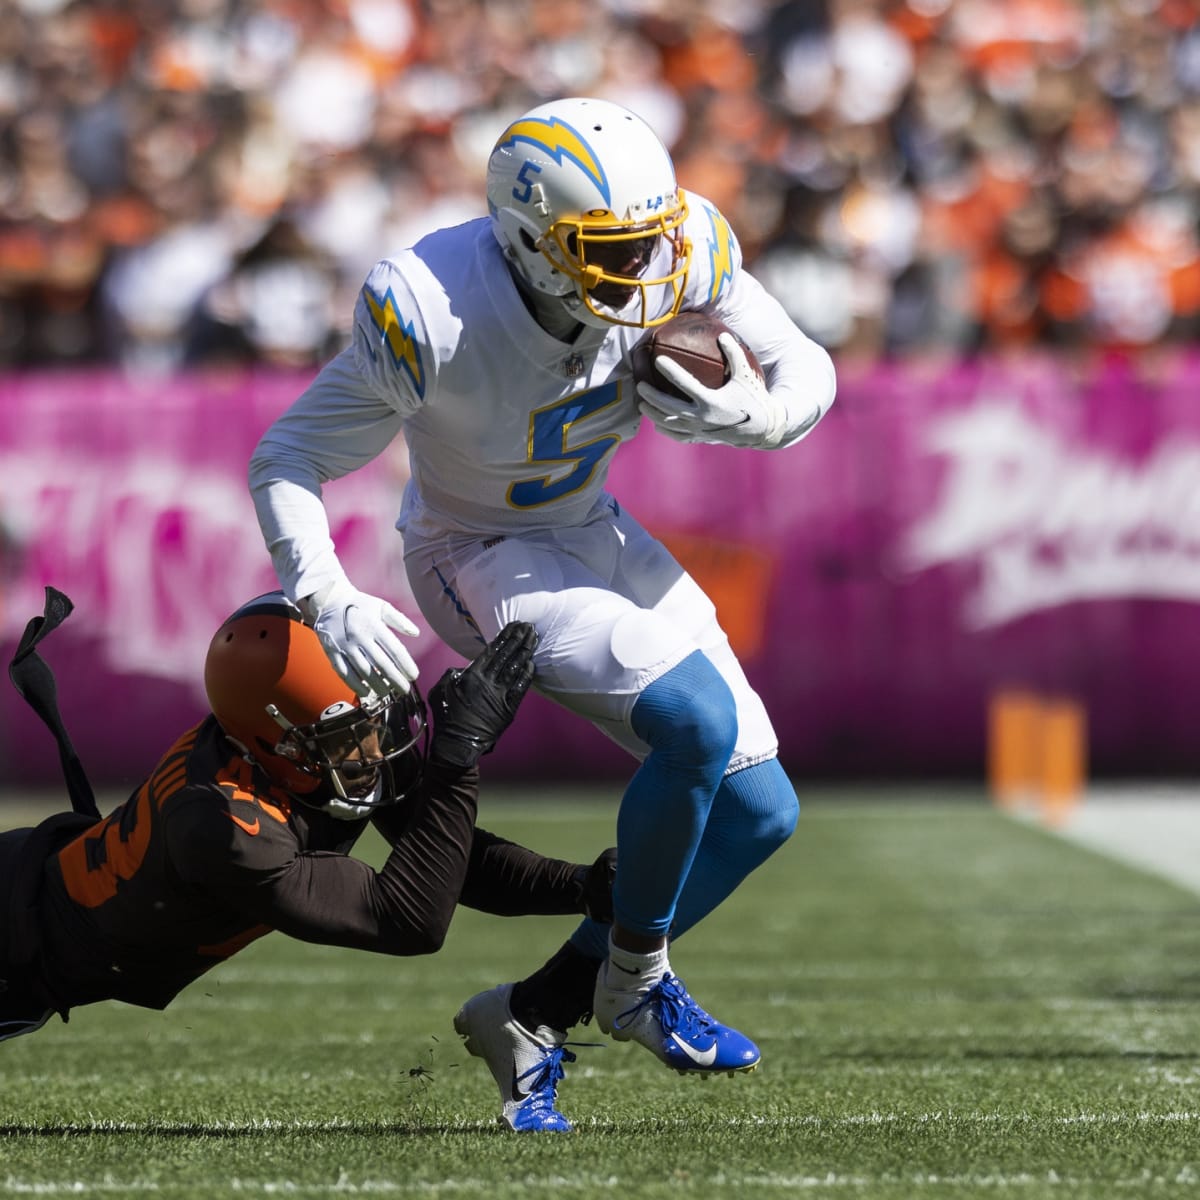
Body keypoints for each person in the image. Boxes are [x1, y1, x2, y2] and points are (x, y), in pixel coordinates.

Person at [248, 95, 837, 1132]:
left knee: (763, 813)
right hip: (477, 552)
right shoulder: (432, 303)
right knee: (696, 724)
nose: (646, 271)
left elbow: (806, 367)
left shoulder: (684, 246)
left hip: (591, 528)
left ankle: (532, 1015)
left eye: (649, 242)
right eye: (608, 250)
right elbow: (288, 455)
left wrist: (761, 418)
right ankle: (638, 979)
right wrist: (325, 589)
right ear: (529, 243)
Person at [0, 587, 616, 1078]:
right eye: (352, 728)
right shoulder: (226, 827)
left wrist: (584, 886)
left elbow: (437, 853)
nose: (376, 742)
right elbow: (407, 919)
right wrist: (457, 759)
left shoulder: (297, 748)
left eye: (378, 713)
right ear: (278, 737)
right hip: (15, 949)